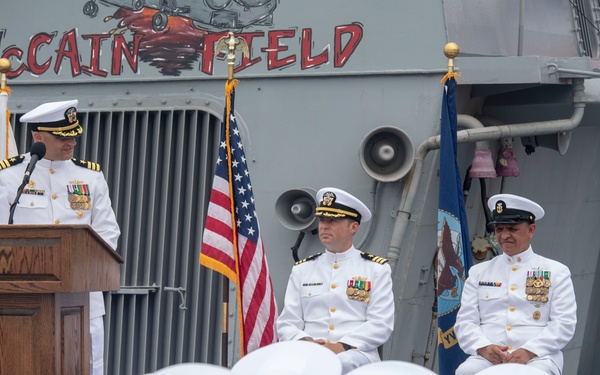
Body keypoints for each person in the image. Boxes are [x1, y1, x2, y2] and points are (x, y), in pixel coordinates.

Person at [0, 99, 121, 375]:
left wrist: (80, 268)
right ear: (38, 137)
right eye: (62, 137)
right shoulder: (10, 177)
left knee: (85, 367)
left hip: (82, 298)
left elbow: (107, 231)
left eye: (74, 135)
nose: (72, 143)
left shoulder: (90, 177)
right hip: (23, 303)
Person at [276, 187, 395, 374]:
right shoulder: (303, 269)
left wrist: (341, 346)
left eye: (332, 221)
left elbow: (381, 324)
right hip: (309, 350)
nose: (324, 225)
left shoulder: (376, 269)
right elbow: (287, 322)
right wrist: (307, 342)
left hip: (356, 353)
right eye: (322, 219)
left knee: (341, 363)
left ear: (353, 227)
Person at [455, 194, 577, 375]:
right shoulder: (479, 273)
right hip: (489, 359)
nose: (504, 236)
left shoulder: (556, 272)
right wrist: (483, 347)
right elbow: (465, 322)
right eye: (499, 229)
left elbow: (564, 324)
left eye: (512, 229)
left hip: (538, 358)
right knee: (465, 372)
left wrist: (529, 351)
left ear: (531, 230)